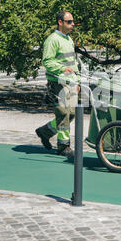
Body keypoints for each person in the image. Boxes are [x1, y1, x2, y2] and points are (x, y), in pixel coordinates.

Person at [35, 11, 80, 158]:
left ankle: (44, 132)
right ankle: (63, 146)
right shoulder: (52, 40)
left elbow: (73, 62)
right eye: (69, 21)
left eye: (72, 21)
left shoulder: (69, 39)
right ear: (60, 22)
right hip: (58, 83)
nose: (72, 24)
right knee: (63, 114)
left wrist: (77, 80)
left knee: (71, 114)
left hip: (71, 83)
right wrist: (61, 69)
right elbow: (47, 61)